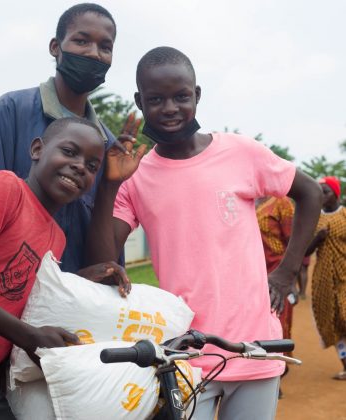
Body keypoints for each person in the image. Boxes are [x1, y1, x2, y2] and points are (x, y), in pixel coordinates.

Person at [86, 47, 323, 420]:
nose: (170, 108)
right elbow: (103, 259)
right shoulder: (136, 176)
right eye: (156, 99)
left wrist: (286, 271)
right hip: (183, 354)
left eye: (181, 96)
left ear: (196, 95)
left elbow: (309, 192)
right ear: (140, 101)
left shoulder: (240, 152)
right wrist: (109, 185)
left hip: (252, 346)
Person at [0, 117, 131, 419]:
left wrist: (82, 279)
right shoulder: (6, 188)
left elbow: (16, 293)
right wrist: (29, 337)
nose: (79, 166)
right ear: (37, 150)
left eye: (92, 166)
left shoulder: (56, 237)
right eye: (69, 152)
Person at [0, 3, 123, 273]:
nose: (93, 53)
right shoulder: (10, 111)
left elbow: (104, 261)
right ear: (55, 47)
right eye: (81, 41)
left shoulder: (109, 147)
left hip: (74, 295)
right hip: (3, 290)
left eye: (105, 47)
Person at [306, 176, 346, 380]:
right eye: (320, 192)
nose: (322, 196)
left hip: (344, 275)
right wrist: (317, 239)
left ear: (336, 194)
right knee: (333, 322)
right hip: (324, 277)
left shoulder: (344, 215)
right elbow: (305, 251)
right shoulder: (315, 218)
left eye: (326, 192)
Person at [256, 196, 296, 399]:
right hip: (252, 274)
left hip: (277, 276)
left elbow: (293, 241)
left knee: (277, 323)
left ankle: (276, 375)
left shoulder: (282, 203)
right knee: (255, 325)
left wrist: (289, 277)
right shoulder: (250, 199)